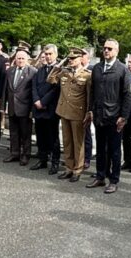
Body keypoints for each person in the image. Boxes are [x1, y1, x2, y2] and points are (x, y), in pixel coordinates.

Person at [86, 39, 131, 194]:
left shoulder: (122, 70)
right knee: (100, 148)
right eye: (105, 48)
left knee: (114, 150)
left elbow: (127, 95)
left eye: (110, 49)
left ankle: (114, 180)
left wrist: (123, 116)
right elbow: (92, 91)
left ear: (117, 51)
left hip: (114, 117)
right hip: (99, 115)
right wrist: (91, 110)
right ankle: (100, 176)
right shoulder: (97, 68)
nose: (106, 51)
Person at [48, 47, 92, 182]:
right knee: (67, 142)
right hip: (64, 111)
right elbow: (50, 79)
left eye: (74, 58)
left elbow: (89, 96)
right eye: (70, 58)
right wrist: (59, 65)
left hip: (78, 113)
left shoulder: (87, 75)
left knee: (77, 142)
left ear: (81, 59)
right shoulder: (64, 72)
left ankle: (77, 170)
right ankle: (68, 168)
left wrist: (88, 113)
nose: (71, 61)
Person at [2, 48, 37, 165]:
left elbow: (33, 92)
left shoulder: (32, 72)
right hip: (12, 107)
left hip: (25, 108)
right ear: (15, 59)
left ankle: (25, 155)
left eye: (23, 58)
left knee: (25, 134)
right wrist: (3, 106)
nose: (20, 60)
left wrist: (32, 110)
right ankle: (14, 153)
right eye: (18, 58)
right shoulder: (10, 71)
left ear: (27, 60)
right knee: (13, 132)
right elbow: (5, 90)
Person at [31, 44, 62, 174]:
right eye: (46, 54)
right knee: (41, 136)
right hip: (38, 109)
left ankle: (55, 162)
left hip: (50, 109)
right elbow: (34, 86)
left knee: (53, 137)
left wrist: (43, 102)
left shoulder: (59, 70)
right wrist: (36, 100)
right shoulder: (40, 70)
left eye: (50, 54)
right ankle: (42, 159)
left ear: (55, 55)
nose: (48, 57)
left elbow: (55, 89)